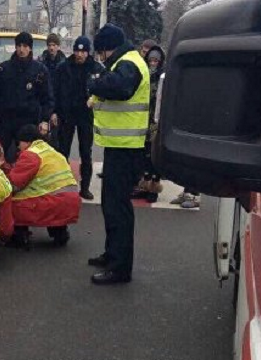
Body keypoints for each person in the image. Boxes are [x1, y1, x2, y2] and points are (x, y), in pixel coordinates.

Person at [86, 24, 150, 285]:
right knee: (111, 205)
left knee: (118, 208)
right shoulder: (126, 61)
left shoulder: (129, 63)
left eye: (100, 53)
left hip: (127, 148)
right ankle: (112, 254)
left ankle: (120, 268)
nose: (101, 58)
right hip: (120, 146)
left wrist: (94, 84)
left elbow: (121, 88)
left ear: (107, 48)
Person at [7, 125, 81, 247]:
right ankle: (59, 231)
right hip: (70, 202)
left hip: (51, 203)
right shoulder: (52, 151)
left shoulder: (30, 155)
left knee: (11, 200)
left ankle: (19, 235)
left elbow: (14, 184)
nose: (18, 147)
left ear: (27, 141)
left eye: (18, 143)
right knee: (41, 194)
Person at [53, 36, 104, 200]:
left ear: (88, 52)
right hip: (67, 114)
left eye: (83, 51)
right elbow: (55, 91)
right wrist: (54, 112)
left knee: (85, 153)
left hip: (86, 115)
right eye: (77, 51)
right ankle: (62, 185)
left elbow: (102, 89)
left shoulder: (96, 68)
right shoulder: (64, 68)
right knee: (63, 151)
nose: (79, 54)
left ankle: (85, 187)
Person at [0, 32, 55, 162]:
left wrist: (45, 120)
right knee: (0, 156)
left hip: (29, 121)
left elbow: (47, 97)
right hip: (6, 121)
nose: (21, 49)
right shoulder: (4, 69)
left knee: (26, 159)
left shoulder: (40, 70)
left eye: (25, 46)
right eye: (19, 46)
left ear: (30, 48)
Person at [132, 45, 166, 203]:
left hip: (157, 120)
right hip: (143, 119)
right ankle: (144, 185)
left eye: (155, 60)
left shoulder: (164, 77)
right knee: (144, 154)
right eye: (150, 60)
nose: (153, 63)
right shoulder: (143, 74)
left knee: (154, 155)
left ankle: (154, 186)